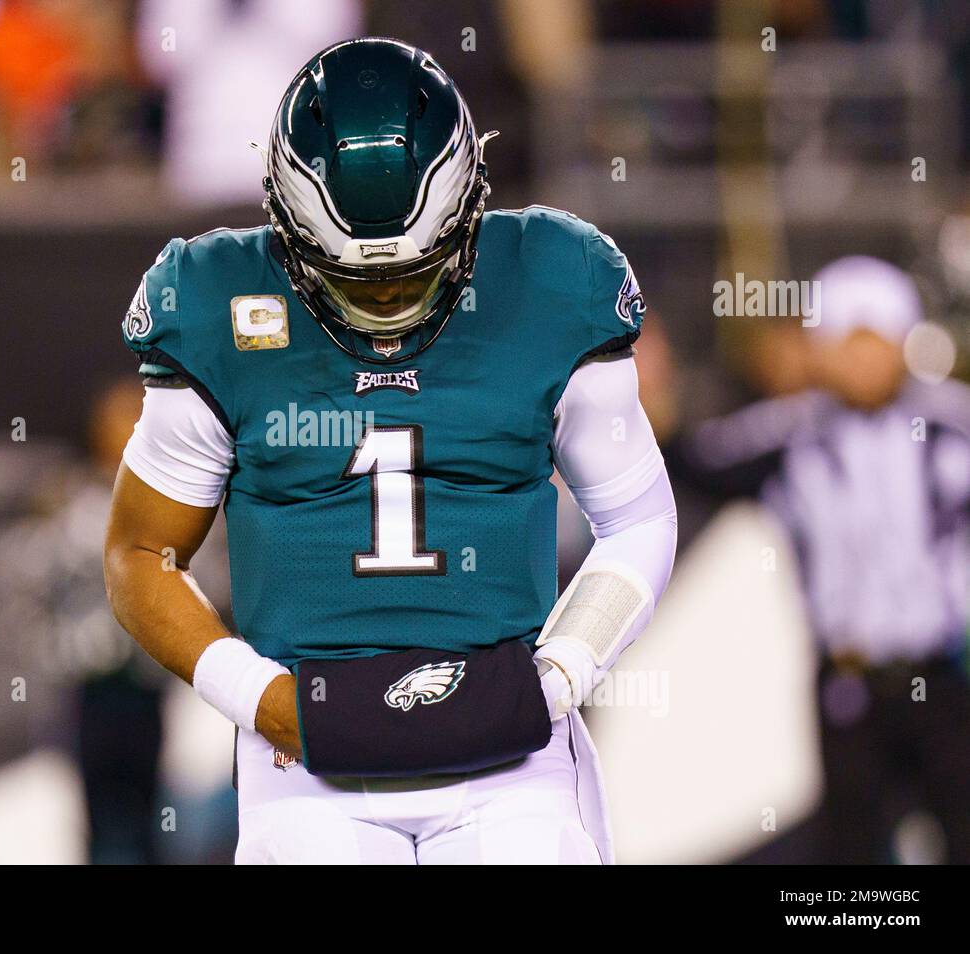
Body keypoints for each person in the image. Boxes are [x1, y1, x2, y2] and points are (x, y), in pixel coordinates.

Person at [104, 38, 677, 864]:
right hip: (305, 757)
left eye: (415, 274)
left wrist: (560, 672)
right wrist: (257, 696)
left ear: (470, 209)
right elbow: (139, 553)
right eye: (355, 280)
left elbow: (638, 519)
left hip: (511, 761)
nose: (389, 304)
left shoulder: (550, 279)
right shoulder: (220, 302)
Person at [675, 256, 970, 864]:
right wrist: (655, 404)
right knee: (853, 857)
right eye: (846, 343)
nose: (863, 361)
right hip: (847, 681)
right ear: (818, 351)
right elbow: (698, 462)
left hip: (943, 677)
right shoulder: (790, 433)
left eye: (876, 342)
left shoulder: (949, 425)